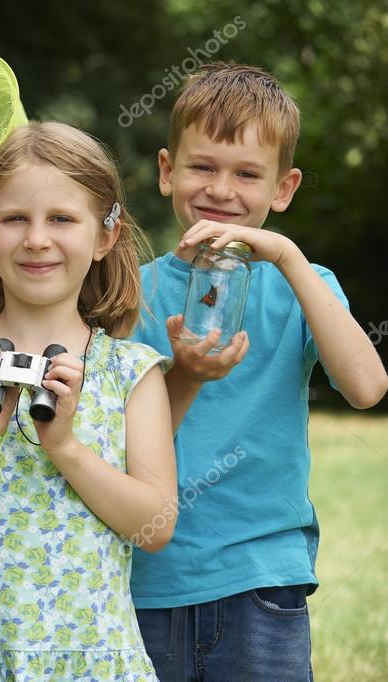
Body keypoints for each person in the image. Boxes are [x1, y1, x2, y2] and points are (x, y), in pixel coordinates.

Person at [131, 62, 388, 680]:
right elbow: (115, 434)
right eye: (203, 167)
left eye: (247, 174)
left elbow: (366, 387)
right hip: (146, 579)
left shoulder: (305, 287)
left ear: (283, 188)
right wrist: (184, 375)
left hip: (262, 577)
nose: (222, 190)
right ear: (168, 172)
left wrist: (290, 258)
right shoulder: (129, 294)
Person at [0, 121, 177, 681]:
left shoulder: (130, 371)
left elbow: (155, 526)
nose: (36, 239)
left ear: (105, 235)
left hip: (95, 659)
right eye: (15, 219)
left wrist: (64, 445)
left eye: (62, 219)